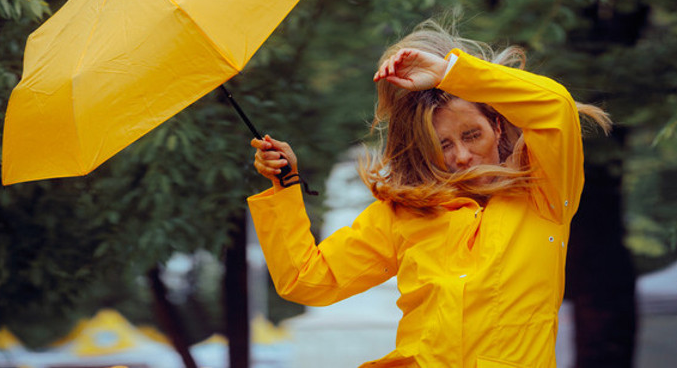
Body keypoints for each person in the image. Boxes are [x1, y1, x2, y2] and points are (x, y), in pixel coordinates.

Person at [248, 20, 611, 367]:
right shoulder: (402, 215)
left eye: (472, 135)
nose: (462, 156)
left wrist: (451, 74)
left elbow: (555, 107)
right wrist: (285, 185)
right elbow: (307, 280)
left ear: (497, 126)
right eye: (443, 145)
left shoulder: (544, 192)